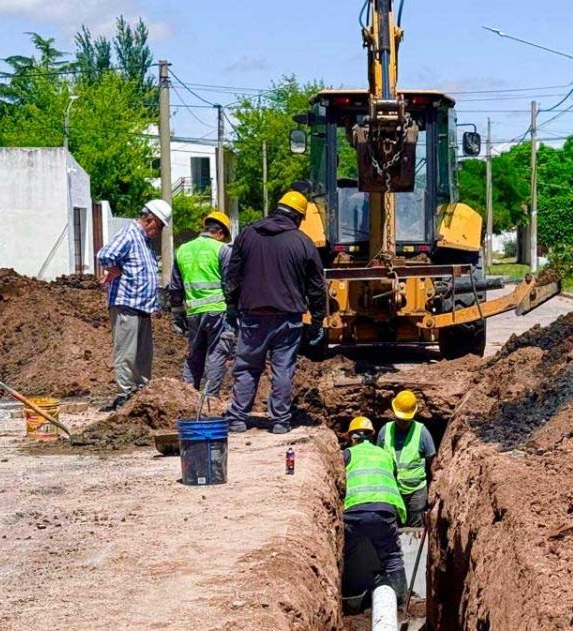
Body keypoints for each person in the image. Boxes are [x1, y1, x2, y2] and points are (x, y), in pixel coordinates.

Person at [223, 191, 327, 434]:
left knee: (247, 366)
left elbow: (233, 276)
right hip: (287, 317)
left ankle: (238, 417)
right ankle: (280, 421)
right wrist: (317, 322)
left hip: (252, 314)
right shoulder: (302, 242)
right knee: (283, 368)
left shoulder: (248, 234)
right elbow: (316, 287)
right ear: (299, 217)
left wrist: (231, 306)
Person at [96, 199, 169, 411]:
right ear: (149, 220)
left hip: (142, 306)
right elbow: (105, 254)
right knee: (126, 353)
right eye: (160, 225)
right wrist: (114, 269)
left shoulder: (144, 240)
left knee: (143, 354)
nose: (160, 231)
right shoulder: (130, 234)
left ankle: (140, 393)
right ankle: (125, 393)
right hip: (126, 304)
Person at [168, 210, 234, 397]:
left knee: (194, 354)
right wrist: (234, 312)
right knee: (217, 353)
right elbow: (230, 285)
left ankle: (187, 396)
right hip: (217, 311)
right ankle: (210, 400)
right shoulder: (222, 250)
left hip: (193, 313)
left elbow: (175, 287)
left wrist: (177, 314)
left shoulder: (183, 250)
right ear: (220, 233)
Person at [342, 416, 407, 603]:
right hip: (383, 511)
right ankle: (401, 600)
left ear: (352, 437)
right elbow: (393, 476)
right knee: (392, 556)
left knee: (346, 555)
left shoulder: (347, 454)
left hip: (353, 513)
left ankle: (349, 599)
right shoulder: (385, 454)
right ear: (371, 436)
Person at [377, 390, 436, 527]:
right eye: (400, 418)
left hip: (416, 491)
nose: (403, 422)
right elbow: (377, 460)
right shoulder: (385, 432)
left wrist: (434, 486)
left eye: (406, 419)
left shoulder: (422, 432)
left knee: (416, 528)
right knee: (391, 527)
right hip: (391, 490)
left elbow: (432, 462)